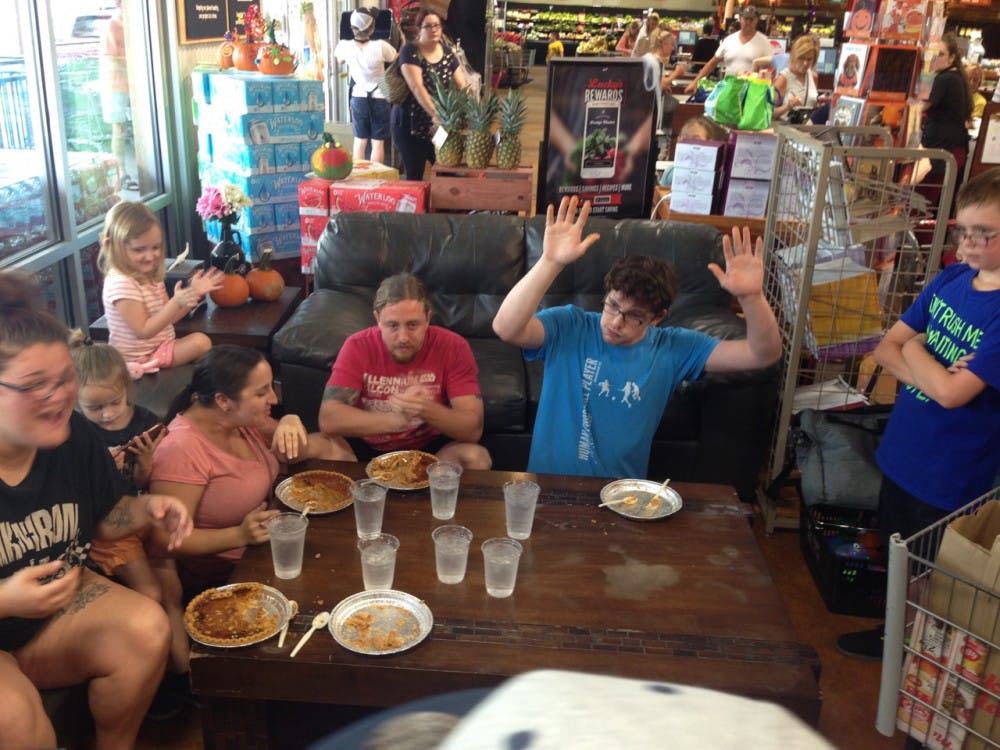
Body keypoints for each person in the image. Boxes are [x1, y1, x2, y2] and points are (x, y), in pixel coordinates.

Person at [0, 269, 192, 749]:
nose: (60, 397)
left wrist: (149, 508)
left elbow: (105, 519)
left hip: (50, 617)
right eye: (35, 385)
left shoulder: (72, 438)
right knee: (17, 720)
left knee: (149, 627)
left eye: (66, 378)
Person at [491, 197, 781, 479]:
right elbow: (506, 328)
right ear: (605, 294)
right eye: (613, 305)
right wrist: (550, 262)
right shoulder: (571, 324)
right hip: (547, 486)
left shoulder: (673, 347)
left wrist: (751, 298)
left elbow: (762, 354)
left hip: (620, 495)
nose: (616, 322)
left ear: (656, 317)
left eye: (634, 316)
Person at [837, 167, 1000, 660]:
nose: (969, 246)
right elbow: (885, 349)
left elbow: (953, 397)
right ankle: (894, 641)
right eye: (963, 232)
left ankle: (919, 662)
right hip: (904, 454)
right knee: (897, 560)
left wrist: (920, 351)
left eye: (985, 235)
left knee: (935, 582)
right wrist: (932, 367)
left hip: (951, 476)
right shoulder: (953, 278)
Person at [67, 332, 195, 718]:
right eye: (95, 408)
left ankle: (187, 678)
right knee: (150, 594)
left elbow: (140, 486)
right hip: (107, 528)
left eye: (113, 403)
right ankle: (151, 684)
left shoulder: (144, 420)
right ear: (76, 402)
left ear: (128, 389)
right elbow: (89, 506)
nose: (106, 414)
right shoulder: (74, 434)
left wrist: (144, 463)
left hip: (140, 513)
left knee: (170, 587)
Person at [150, 345, 347, 596]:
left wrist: (290, 421)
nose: (274, 399)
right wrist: (238, 535)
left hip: (269, 547)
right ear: (223, 400)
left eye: (271, 387)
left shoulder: (241, 420)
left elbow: (305, 450)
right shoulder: (180, 449)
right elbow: (166, 539)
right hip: (229, 579)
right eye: (262, 392)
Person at [319, 273, 491, 471]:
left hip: (431, 451)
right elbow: (328, 420)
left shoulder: (453, 346)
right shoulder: (357, 346)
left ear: (427, 319)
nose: (403, 338)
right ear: (377, 319)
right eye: (392, 325)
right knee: (315, 445)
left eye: (412, 325)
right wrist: (396, 420)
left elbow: (472, 430)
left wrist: (425, 409)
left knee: (476, 457)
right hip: (365, 447)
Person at [99, 201, 222, 379]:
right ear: (112, 246)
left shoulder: (149, 276)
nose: (150, 256)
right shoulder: (121, 283)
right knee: (201, 343)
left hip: (159, 348)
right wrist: (176, 302)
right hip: (139, 359)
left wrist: (193, 294)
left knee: (204, 346)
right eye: (139, 249)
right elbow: (144, 330)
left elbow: (168, 319)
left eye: (155, 247)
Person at [391, 9, 467, 180]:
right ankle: (415, 206)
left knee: (445, 170)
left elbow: (462, 85)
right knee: (415, 173)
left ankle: (442, 206)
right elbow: (417, 87)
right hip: (410, 126)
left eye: (437, 26)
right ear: (418, 29)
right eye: (428, 26)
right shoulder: (410, 51)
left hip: (438, 128)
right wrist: (436, 114)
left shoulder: (447, 53)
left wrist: (467, 110)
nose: (434, 30)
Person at [917, 32, 973, 213]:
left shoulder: (945, 78)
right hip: (951, 150)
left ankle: (920, 241)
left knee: (921, 205)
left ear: (952, 58)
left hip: (943, 152)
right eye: (931, 53)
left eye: (940, 54)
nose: (934, 58)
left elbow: (918, 109)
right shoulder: (955, 77)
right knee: (933, 205)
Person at [334, 9, 397, 165]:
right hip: (381, 96)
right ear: (372, 27)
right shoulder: (381, 46)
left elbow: (339, 61)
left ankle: (359, 180)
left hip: (358, 96)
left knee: (359, 141)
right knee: (378, 143)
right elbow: (396, 59)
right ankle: (375, 179)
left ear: (352, 27)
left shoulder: (344, 46)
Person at [685, 6, 772, 93]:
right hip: (728, 92)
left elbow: (772, 67)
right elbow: (712, 63)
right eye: (746, 18)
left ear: (756, 21)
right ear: (741, 19)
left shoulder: (764, 42)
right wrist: (695, 82)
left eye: (751, 19)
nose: (748, 22)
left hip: (752, 93)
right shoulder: (729, 40)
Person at [99, 0, 137, 192]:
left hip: (135, 85)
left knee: (135, 128)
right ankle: (121, 172)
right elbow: (112, 58)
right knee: (119, 130)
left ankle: (128, 171)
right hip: (117, 86)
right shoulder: (114, 24)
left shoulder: (134, 22)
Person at [659, 116, 729, 187]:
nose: (689, 144)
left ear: (710, 143)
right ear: (679, 140)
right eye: (685, 139)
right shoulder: (671, 172)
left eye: (695, 140)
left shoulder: (717, 175)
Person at [773, 35, 819, 121]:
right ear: (794, 56)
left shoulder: (813, 76)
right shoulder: (783, 78)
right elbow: (769, 113)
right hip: (785, 130)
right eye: (802, 58)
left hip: (806, 131)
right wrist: (788, 106)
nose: (805, 63)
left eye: (809, 59)